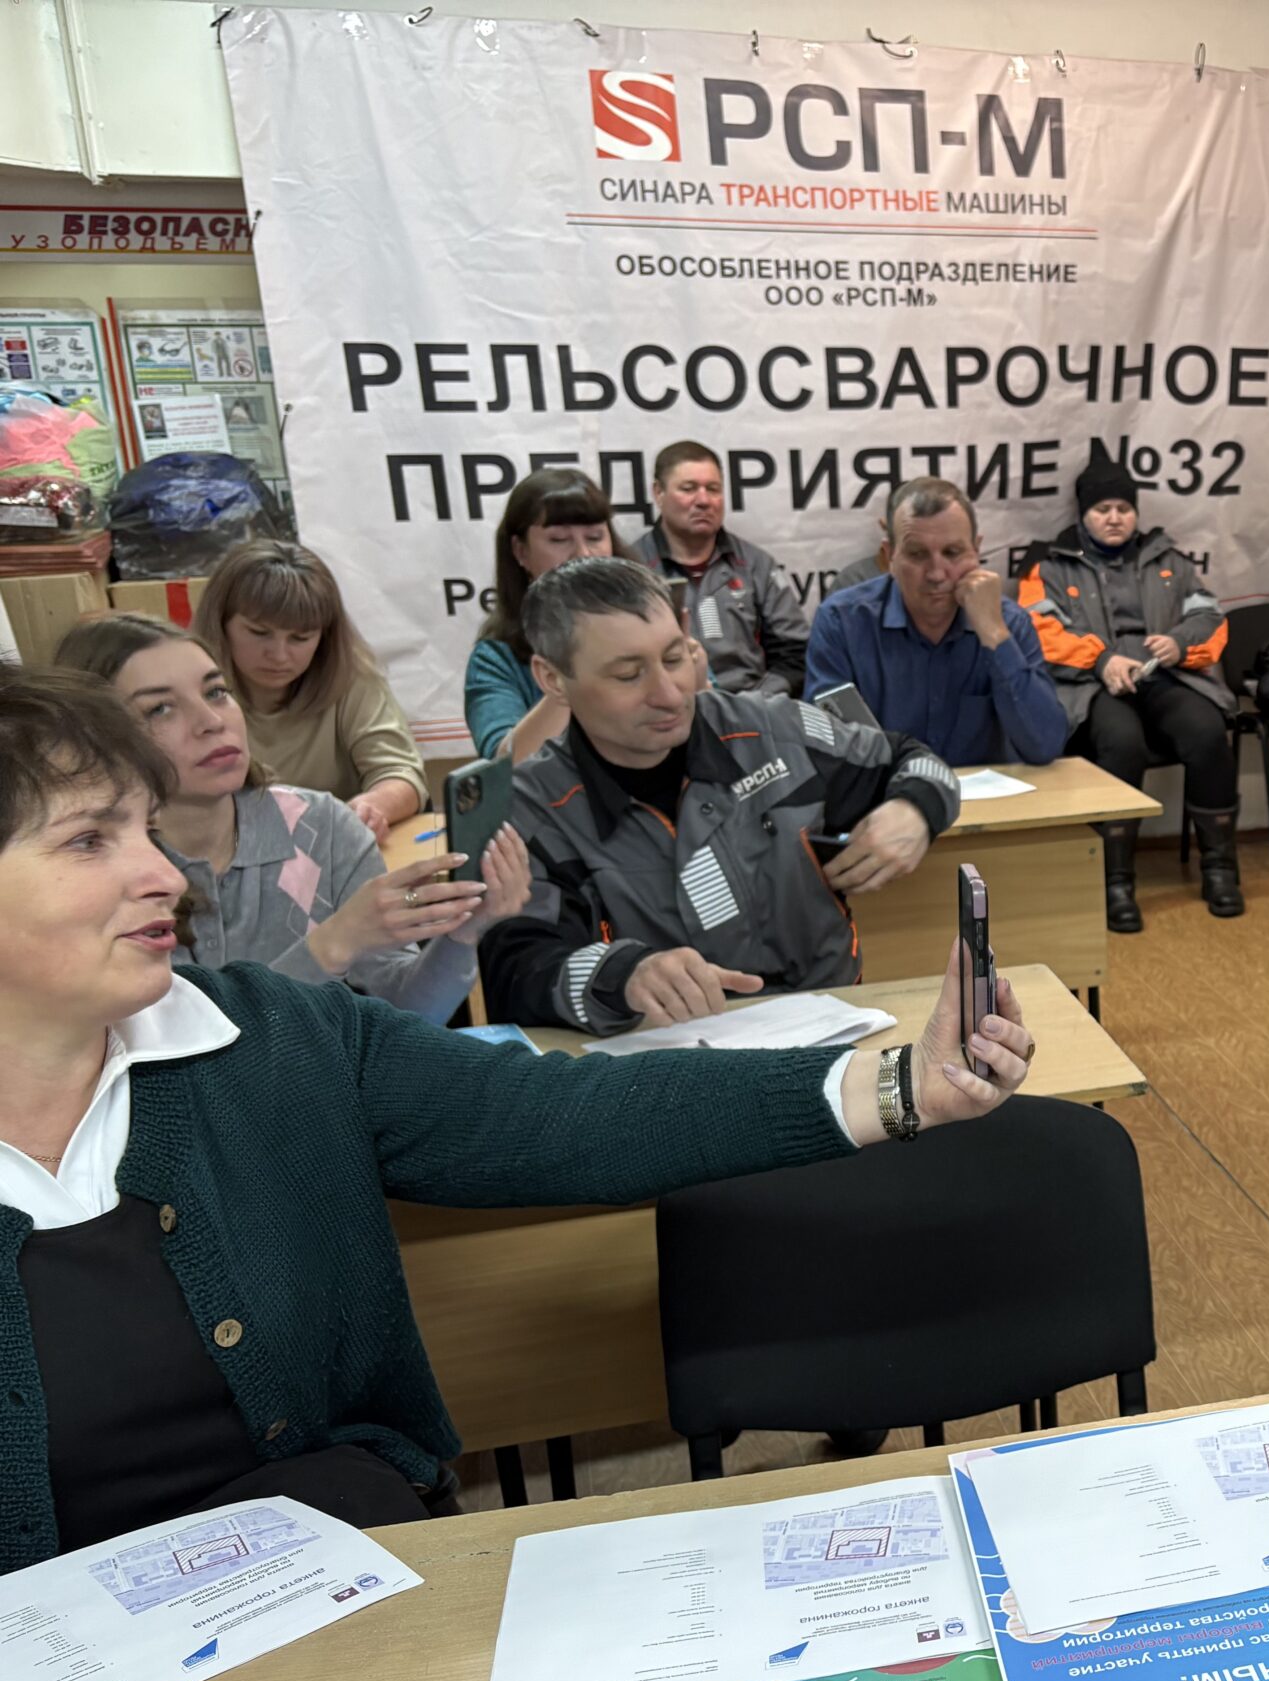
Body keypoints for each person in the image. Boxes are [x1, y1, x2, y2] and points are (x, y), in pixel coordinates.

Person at [0, 664, 1032, 1567]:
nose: (162, 875)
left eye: (145, 829)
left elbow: (567, 1116)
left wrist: (901, 1084)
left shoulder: (276, 1037)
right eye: (89, 840)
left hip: (336, 1579)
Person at [476, 557, 961, 1035]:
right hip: (659, 1057)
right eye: (628, 675)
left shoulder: (771, 728)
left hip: (833, 1026)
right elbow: (519, 968)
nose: (669, 694)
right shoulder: (530, 808)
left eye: (674, 659)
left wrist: (915, 809)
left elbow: (912, 758)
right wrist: (622, 975)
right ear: (552, 679)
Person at [55, 614, 531, 1026]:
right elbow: (179, 1048)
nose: (211, 721)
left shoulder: (325, 827)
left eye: (216, 692)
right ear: (97, 738)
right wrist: (331, 945)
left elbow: (412, 1016)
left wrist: (462, 935)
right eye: (160, 708)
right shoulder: (96, 873)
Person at [1018, 455, 1245, 928]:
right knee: (1123, 743)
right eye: (1102, 509)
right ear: (1083, 514)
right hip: (1093, 686)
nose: (1114, 517)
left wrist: (1180, 644)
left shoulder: (1171, 561)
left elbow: (1210, 618)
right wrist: (1101, 659)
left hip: (1166, 677)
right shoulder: (1049, 566)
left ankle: (1220, 869)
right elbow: (1039, 634)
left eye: (1123, 508)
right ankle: (1114, 881)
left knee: (1207, 731)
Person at [805, 477, 1068, 769]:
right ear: (890, 556)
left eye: (952, 553)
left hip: (985, 796)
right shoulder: (842, 623)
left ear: (976, 550)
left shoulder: (1009, 623)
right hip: (886, 793)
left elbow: (1044, 746)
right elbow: (826, 751)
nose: (936, 574)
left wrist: (994, 633)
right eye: (917, 554)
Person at [192, 540, 426, 839]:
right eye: (259, 633)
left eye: (300, 638)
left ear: (325, 636)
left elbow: (401, 774)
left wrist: (374, 806)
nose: (279, 655)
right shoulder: (183, 689)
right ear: (221, 623)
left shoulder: (353, 678)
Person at [628, 440, 810, 701]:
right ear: (658, 493)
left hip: (752, 706)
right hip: (666, 707)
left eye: (713, 489)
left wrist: (753, 704)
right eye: (688, 488)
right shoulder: (632, 569)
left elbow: (795, 653)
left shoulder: (755, 564)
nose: (703, 500)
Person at [465, 469, 624, 763]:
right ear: (520, 551)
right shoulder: (496, 658)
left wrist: (697, 678)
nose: (584, 554)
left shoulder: (652, 623)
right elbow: (504, 766)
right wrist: (567, 680)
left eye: (595, 537)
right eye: (559, 539)